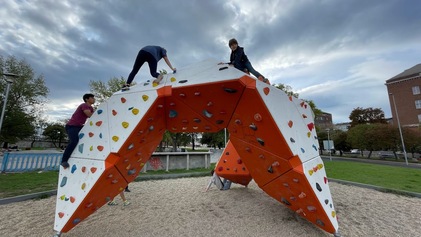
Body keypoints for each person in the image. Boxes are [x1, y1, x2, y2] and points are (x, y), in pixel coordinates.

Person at [61, 93, 95, 168]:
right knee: (74, 141)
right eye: (92, 98)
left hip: (79, 126)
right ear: (87, 99)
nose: (94, 99)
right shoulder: (84, 105)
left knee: (85, 140)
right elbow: (90, 115)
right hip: (72, 126)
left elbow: (94, 117)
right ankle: (64, 160)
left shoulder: (91, 108)